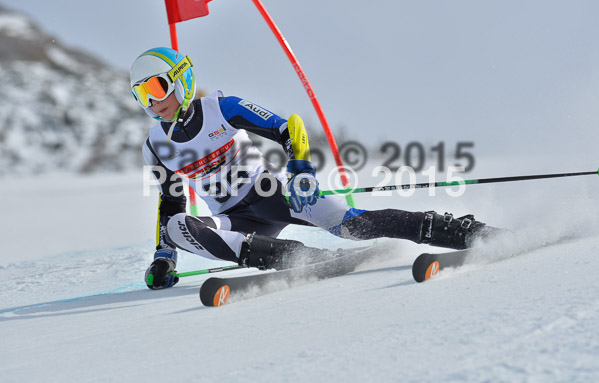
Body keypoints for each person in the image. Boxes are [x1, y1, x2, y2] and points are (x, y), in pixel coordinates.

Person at [131, 47, 495, 290]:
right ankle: (301, 258)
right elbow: (172, 199)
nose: (153, 102)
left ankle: (457, 230)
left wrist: (301, 170)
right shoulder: (155, 146)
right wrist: (165, 256)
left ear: (181, 79)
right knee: (177, 227)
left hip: (270, 196)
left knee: (351, 226)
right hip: (232, 221)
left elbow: (288, 128)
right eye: (141, 94)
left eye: (157, 87)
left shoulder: (220, 108)